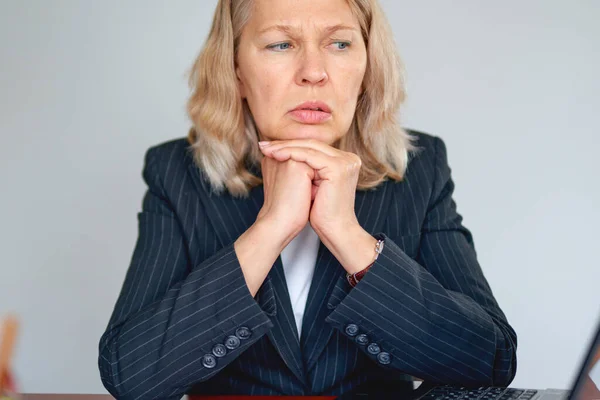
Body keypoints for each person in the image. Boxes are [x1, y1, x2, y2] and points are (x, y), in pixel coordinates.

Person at [98, 0, 517, 398]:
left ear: (368, 67)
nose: (314, 72)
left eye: (339, 44)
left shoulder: (418, 170)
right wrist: (271, 227)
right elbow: (133, 376)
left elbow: (491, 360)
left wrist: (349, 236)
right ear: (236, 71)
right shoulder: (176, 173)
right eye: (281, 44)